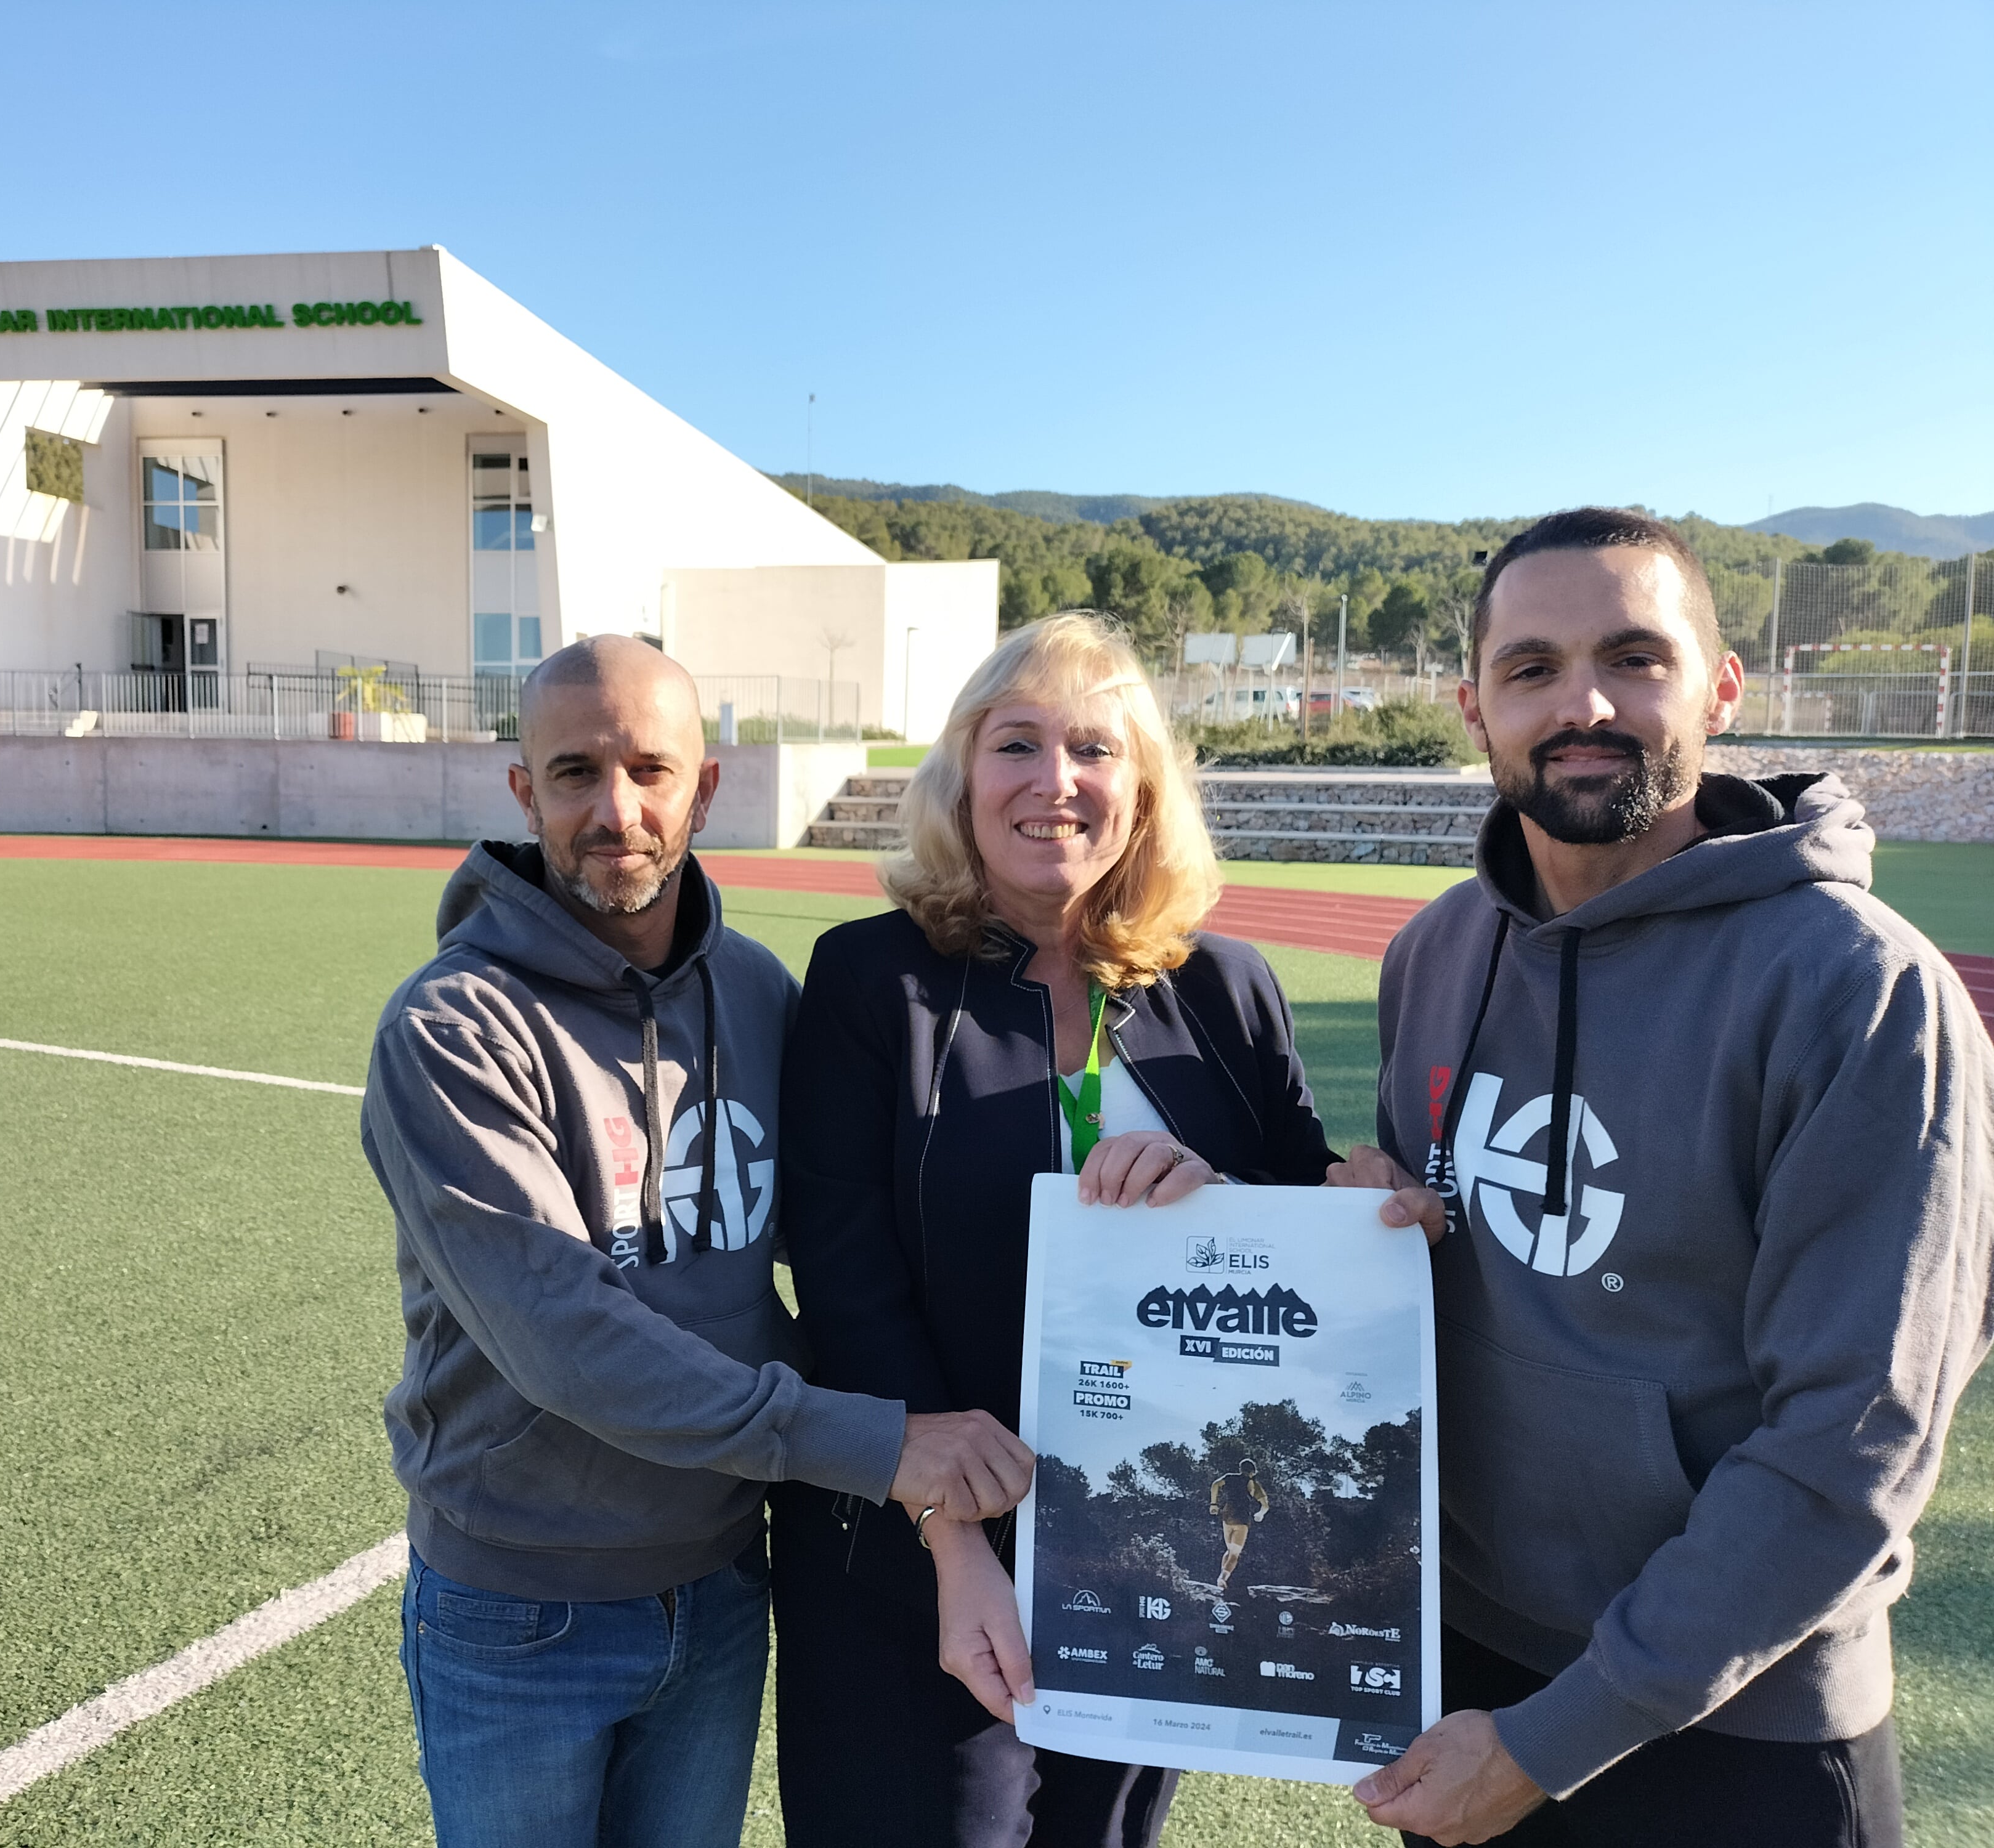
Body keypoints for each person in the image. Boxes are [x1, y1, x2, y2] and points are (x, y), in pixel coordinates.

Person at [1333, 509, 1993, 1847]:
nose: (1581, 704)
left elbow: (1847, 1441)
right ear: (1473, 708)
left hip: (1738, 1716)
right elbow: (1453, 1257)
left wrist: (1554, 1739)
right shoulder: (1434, 952)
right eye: (1529, 669)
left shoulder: (1859, 994)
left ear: (1720, 686)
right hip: (1468, 1669)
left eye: (1633, 658)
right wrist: (1367, 1227)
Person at [360, 635, 1036, 1848]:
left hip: (723, 1591)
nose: (613, 809)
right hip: (522, 1609)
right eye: (573, 773)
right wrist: (880, 1450)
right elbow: (565, 1337)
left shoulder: (765, 994)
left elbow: (851, 1243)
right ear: (523, 793)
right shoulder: (450, 1031)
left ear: (703, 790)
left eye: (648, 770)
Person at [772, 612, 1376, 1848]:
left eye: (1093, 748)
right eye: (1016, 745)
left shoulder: (1225, 988)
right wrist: (954, 1537)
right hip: (913, 1557)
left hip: (1148, 1559)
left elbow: (1298, 1218)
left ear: (1141, 789)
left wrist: (1350, 1201)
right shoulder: (866, 981)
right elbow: (843, 1272)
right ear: (961, 776)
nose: (1055, 783)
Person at [1208, 1455, 1269, 1592]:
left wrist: (1213, 1504)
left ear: (1240, 1469)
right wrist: (1260, 1514)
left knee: (1229, 1550)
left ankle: (1221, 1578)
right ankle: (1222, 1579)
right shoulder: (1252, 1483)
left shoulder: (1229, 1477)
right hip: (1241, 1519)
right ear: (1253, 1472)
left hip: (1227, 1516)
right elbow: (1265, 1505)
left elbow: (1215, 1485)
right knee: (1235, 1554)